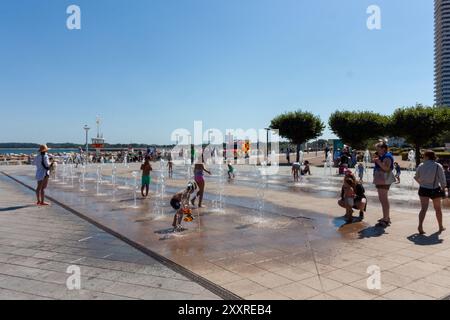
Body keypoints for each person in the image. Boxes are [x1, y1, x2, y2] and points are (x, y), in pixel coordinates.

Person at [414, 151, 447, 235]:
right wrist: (443, 189)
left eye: (424, 156)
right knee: (438, 209)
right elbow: (442, 180)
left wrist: (421, 183)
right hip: (435, 189)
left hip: (423, 189)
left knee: (423, 209)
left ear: (427, 157)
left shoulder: (421, 165)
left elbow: (416, 177)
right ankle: (440, 226)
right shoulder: (437, 166)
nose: (423, 157)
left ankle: (420, 225)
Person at [372, 141, 395, 228]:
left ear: (383, 149)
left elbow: (386, 168)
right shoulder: (383, 156)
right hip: (382, 179)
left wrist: (378, 161)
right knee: (382, 199)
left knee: (384, 199)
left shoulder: (387, 157)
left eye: (378, 149)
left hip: (384, 179)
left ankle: (386, 219)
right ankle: (386, 217)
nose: (377, 151)